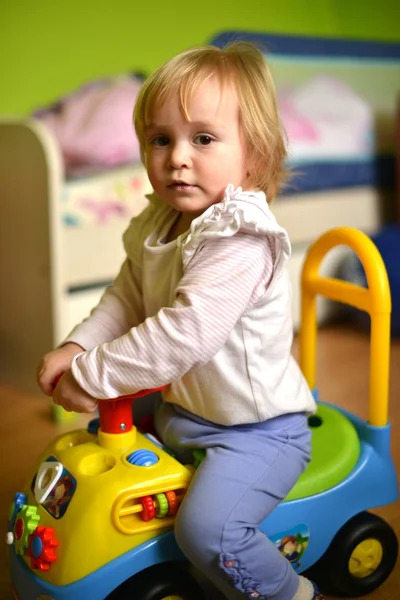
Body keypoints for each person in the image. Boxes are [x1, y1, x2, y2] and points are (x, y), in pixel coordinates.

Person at [37, 42, 323, 600]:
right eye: (160, 139)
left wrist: (93, 372)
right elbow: (126, 297)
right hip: (189, 406)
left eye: (204, 139)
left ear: (254, 155)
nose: (177, 157)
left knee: (208, 533)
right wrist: (79, 347)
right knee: (105, 430)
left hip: (257, 432)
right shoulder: (162, 220)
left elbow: (181, 335)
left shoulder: (239, 236)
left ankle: (293, 594)